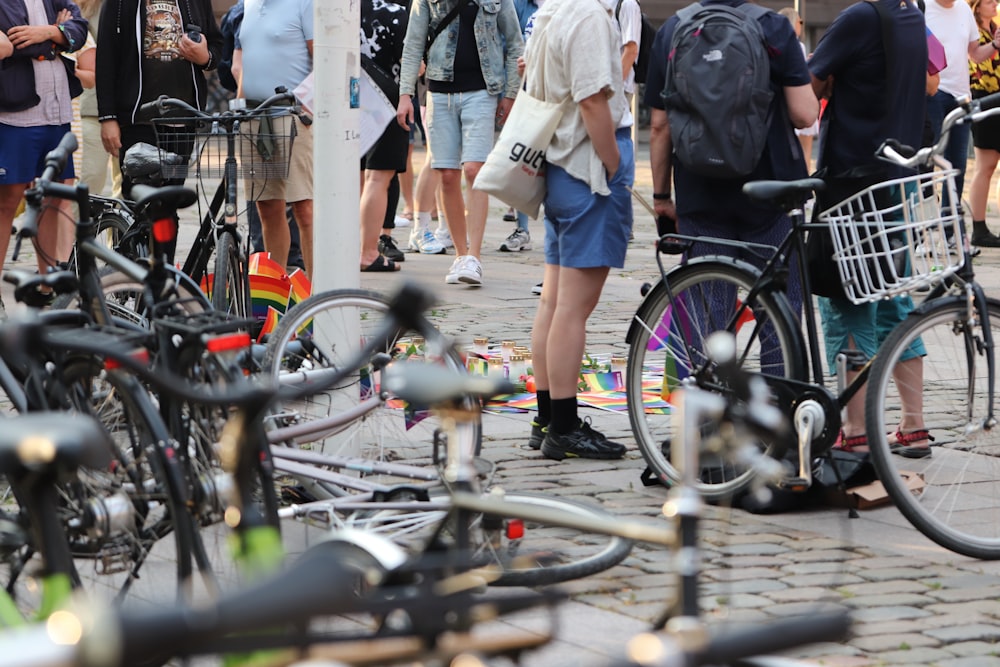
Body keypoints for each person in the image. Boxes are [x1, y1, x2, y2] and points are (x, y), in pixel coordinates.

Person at [644, 0, 817, 334]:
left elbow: (659, 127)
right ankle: (778, 384)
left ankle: (706, 385)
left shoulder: (672, 30)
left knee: (706, 316)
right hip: (770, 192)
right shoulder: (774, 28)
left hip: (701, 193)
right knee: (780, 315)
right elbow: (804, 114)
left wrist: (662, 196)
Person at [809, 0, 934, 458]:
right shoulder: (909, 14)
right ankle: (913, 426)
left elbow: (809, 83)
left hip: (852, 180)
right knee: (894, 299)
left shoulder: (860, 17)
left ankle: (856, 431)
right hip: (894, 179)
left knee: (845, 302)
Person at [522, 0, 632, 461]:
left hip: (562, 166)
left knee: (554, 302)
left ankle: (549, 414)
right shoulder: (588, 15)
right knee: (571, 309)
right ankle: (563, 425)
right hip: (587, 168)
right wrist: (613, 162)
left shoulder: (553, 11)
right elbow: (592, 99)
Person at [396, 0, 524, 287]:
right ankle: (460, 254)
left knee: (474, 170)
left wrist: (510, 93)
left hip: (482, 90)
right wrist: (406, 94)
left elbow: (516, 42)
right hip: (440, 92)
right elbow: (413, 43)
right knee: (448, 174)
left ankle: (474, 257)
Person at [0, 0, 89, 306]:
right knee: (7, 201)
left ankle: (47, 289)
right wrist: (55, 38)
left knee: (53, 197)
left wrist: (47, 32)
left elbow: (79, 28)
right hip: (15, 115)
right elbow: (12, 42)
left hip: (57, 111)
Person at [96, 0, 223, 197]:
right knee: (138, 202)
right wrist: (108, 117)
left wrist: (205, 57)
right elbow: (105, 59)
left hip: (182, 119)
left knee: (171, 201)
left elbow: (217, 45)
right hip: (138, 119)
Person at [234, 0, 314, 277]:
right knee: (266, 206)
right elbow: (247, 59)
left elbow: (322, 60)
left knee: (304, 209)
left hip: (292, 117)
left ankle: (318, 298)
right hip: (253, 117)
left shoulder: (305, 3)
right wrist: (239, 107)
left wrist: (307, 108)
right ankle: (275, 292)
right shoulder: (248, 4)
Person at [924, 0, 999, 250]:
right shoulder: (921, 7)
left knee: (955, 169)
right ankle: (920, 236)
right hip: (933, 93)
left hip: (961, 96)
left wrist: (996, 44)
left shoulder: (964, 10)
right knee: (926, 165)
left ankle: (951, 233)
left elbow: (975, 55)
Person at [359, 0, 408, 272]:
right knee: (378, 178)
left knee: (351, 179)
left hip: (346, 99)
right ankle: (368, 252)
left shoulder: (333, 9)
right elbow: (416, 65)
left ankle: (350, 248)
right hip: (387, 104)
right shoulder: (396, 13)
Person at [497, 0, 538, 255]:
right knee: (521, 164)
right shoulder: (518, 5)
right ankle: (522, 229)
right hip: (524, 95)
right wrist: (508, 93)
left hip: (561, 97)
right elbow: (509, 47)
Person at [967, 0, 1000, 246]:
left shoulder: (994, 27)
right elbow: (979, 66)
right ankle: (979, 227)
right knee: (986, 165)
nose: (995, 6)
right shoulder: (974, 31)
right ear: (977, 6)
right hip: (985, 99)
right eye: (990, 1)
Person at [779, 6, 819, 173]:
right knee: (806, 148)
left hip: (786, 103)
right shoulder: (796, 46)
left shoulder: (777, 43)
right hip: (801, 98)